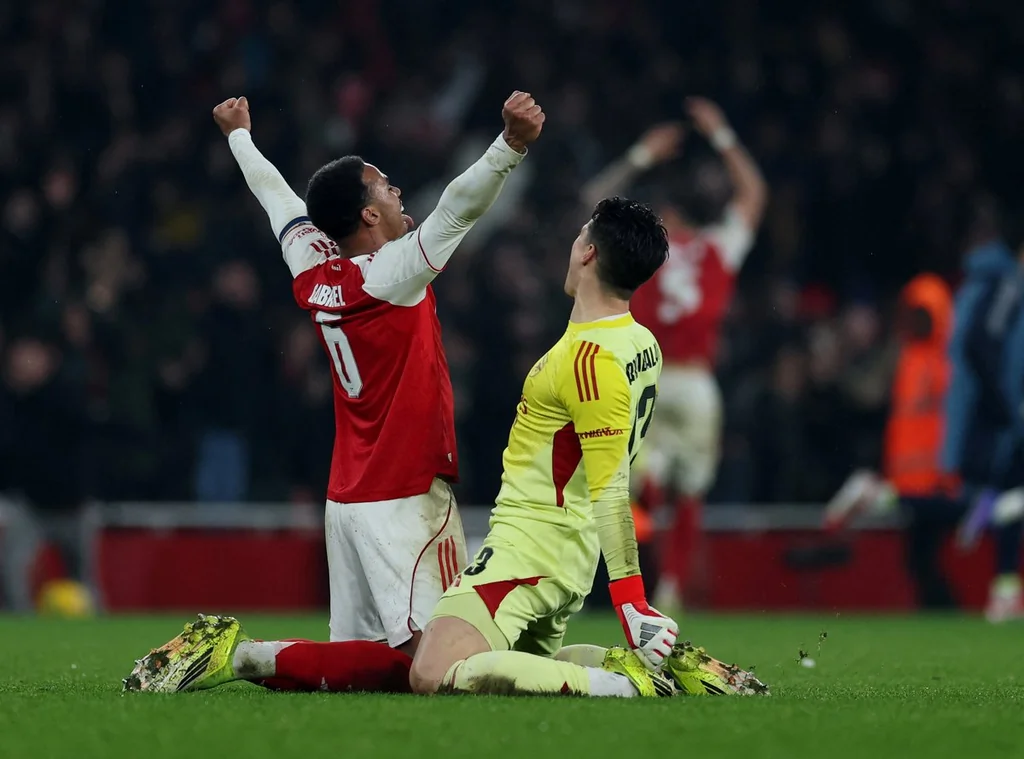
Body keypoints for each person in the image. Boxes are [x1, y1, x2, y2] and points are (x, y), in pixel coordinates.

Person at [123, 91, 544, 693]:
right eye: (387, 187)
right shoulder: (394, 273)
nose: (398, 193)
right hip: (404, 493)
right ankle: (243, 657)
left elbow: (279, 201)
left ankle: (237, 657)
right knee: (441, 666)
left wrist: (238, 136)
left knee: (361, 666)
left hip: (347, 497)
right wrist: (510, 147)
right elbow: (457, 209)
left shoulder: (316, 268)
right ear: (369, 216)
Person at [407, 197, 768, 698]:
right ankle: (672, 669)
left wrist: (631, 604)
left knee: (430, 675)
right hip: (566, 546)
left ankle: (628, 686)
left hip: (533, 548)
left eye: (580, 235)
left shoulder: (588, 360)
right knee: (518, 666)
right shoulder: (642, 344)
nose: (572, 244)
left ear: (589, 254)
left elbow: (613, 491)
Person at [581, 98, 768, 611]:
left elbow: (593, 202)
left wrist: (643, 154)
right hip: (696, 381)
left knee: (637, 482)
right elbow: (754, 193)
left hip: (642, 372)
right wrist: (722, 133)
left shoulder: (640, 253)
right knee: (692, 494)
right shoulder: (714, 249)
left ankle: (632, 569)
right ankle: (673, 587)